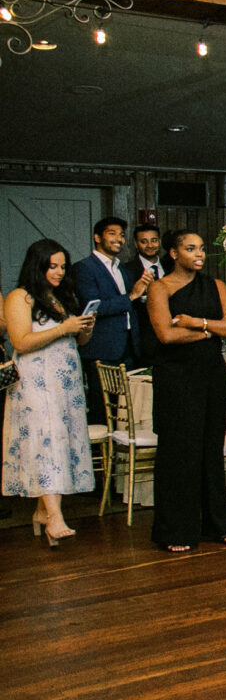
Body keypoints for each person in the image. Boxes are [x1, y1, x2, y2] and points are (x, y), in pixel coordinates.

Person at [146, 230, 226, 551]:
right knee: (179, 451)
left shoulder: (216, 286)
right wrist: (211, 332)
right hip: (175, 377)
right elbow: (166, 335)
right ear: (174, 253)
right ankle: (175, 530)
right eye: (190, 249)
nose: (199, 254)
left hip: (211, 375)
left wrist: (196, 322)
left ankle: (216, 525)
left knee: (210, 448)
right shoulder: (159, 288)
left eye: (201, 248)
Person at [2, 240, 95, 546]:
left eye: (62, 266)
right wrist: (62, 328)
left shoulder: (60, 297)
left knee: (59, 442)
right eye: (52, 266)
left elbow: (77, 342)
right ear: (37, 265)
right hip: (35, 382)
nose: (58, 272)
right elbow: (21, 341)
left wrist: (84, 329)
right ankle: (54, 518)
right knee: (45, 442)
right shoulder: (21, 297)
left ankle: (44, 512)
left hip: (65, 384)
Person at [72, 215, 149, 423]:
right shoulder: (84, 268)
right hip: (102, 350)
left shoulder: (121, 269)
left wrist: (142, 295)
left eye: (122, 235)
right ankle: (104, 454)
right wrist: (132, 296)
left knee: (128, 411)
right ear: (97, 237)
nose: (119, 239)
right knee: (103, 411)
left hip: (129, 349)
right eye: (112, 233)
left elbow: (128, 305)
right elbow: (94, 306)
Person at [132, 222, 166, 359]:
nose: (150, 245)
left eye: (154, 240)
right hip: (143, 341)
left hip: (171, 340)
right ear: (136, 244)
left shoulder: (172, 267)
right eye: (144, 242)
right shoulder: (127, 271)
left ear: (160, 241)